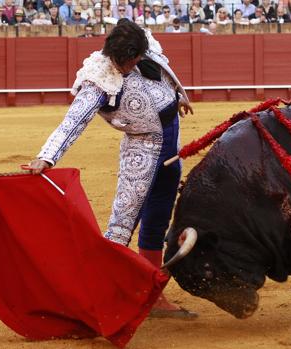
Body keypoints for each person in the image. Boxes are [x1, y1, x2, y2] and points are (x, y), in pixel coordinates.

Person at [28, 19, 196, 319]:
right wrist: (47, 156)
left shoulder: (145, 48)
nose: (125, 66)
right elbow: (74, 120)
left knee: (156, 223)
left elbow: (165, 74)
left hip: (173, 149)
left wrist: (179, 96)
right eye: (121, 61)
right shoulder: (99, 78)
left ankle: (152, 296)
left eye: (130, 60)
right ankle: (97, 298)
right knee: (120, 228)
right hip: (140, 154)